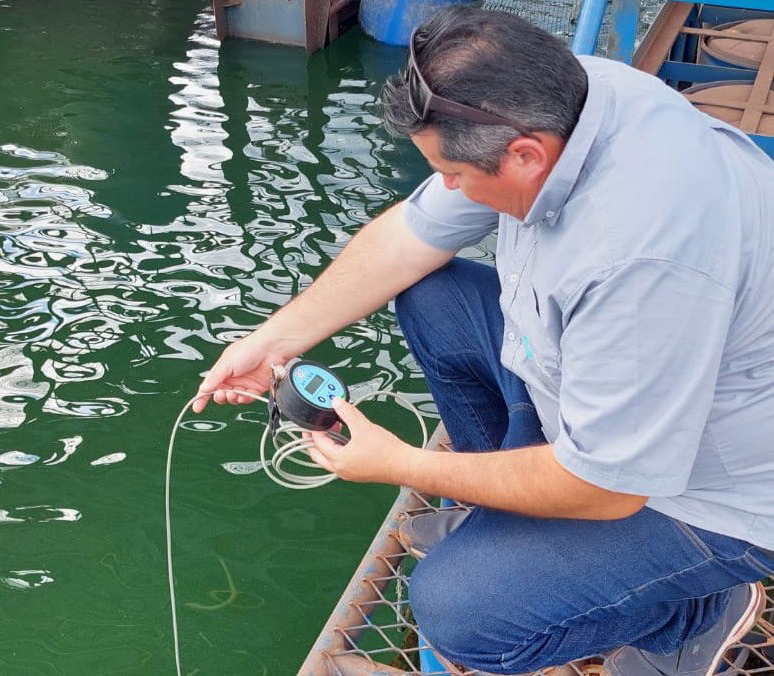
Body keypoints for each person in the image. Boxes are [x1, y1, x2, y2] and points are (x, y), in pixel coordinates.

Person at [192, 7, 774, 675]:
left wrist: (403, 463)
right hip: (633, 381)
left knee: (460, 614)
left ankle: (692, 613)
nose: (447, 189)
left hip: (717, 489)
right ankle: (503, 523)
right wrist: (271, 341)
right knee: (430, 294)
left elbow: (609, 487)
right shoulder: (575, 94)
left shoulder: (640, 260)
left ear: (525, 154)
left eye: (455, 175)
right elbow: (407, 239)